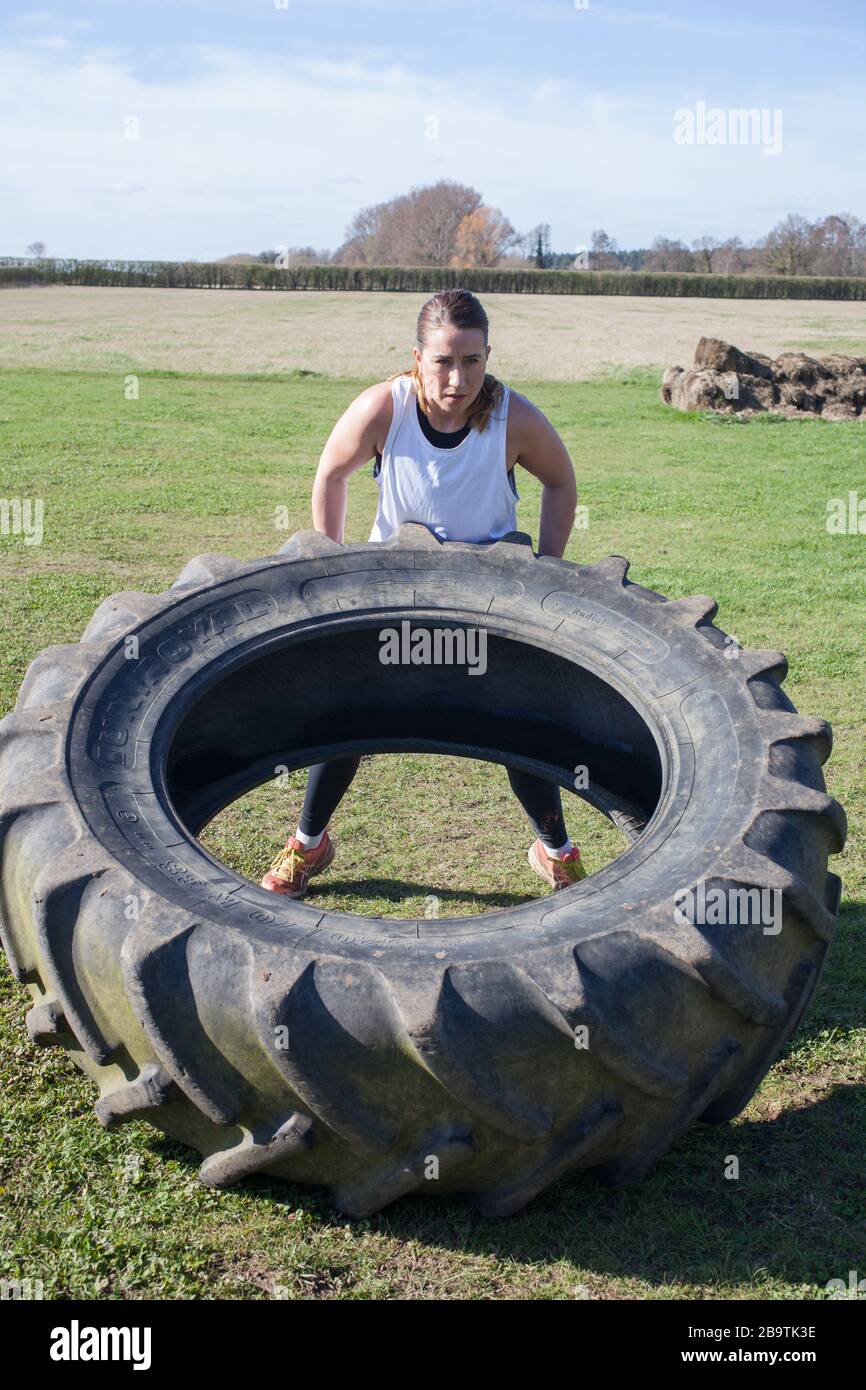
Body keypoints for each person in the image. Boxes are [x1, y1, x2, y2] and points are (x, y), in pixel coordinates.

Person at [261, 288, 586, 898]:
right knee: (349, 720)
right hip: (394, 599)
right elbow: (332, 472)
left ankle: (556, 852)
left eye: (471, 361)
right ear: (418, 357)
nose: (457, 377)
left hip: (490, 603)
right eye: (443, 360)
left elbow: (561, 480)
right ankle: (308, 844)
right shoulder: (386, 407)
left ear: (488, 356)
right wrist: (332, 565)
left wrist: (547, 571)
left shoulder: (514, 417)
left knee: (517, 730)